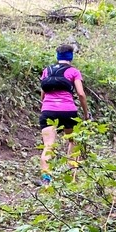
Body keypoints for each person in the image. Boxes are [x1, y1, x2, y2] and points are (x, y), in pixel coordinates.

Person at [38, 44, 89, 184]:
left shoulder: (47, 71)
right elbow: (81, 94)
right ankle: (71, 177)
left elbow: (43, 94)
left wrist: (45, 107)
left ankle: (46, 180)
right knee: (74, 142)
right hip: (68, 111)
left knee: (48, 146)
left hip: (48, 111)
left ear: (58, 56)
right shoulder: (74, 71)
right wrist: (86, 113)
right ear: (71, 56)